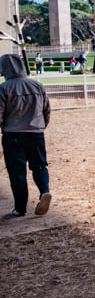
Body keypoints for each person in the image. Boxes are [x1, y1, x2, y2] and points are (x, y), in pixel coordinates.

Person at [0, 54, 51, 219]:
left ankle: (20, 208)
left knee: (17, 173)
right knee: (40, 166)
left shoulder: (4, 88)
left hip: (13, 135)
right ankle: (45, 191)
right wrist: (41, 126)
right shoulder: (37, 85)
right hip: (36, 134)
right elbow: (46, 110)